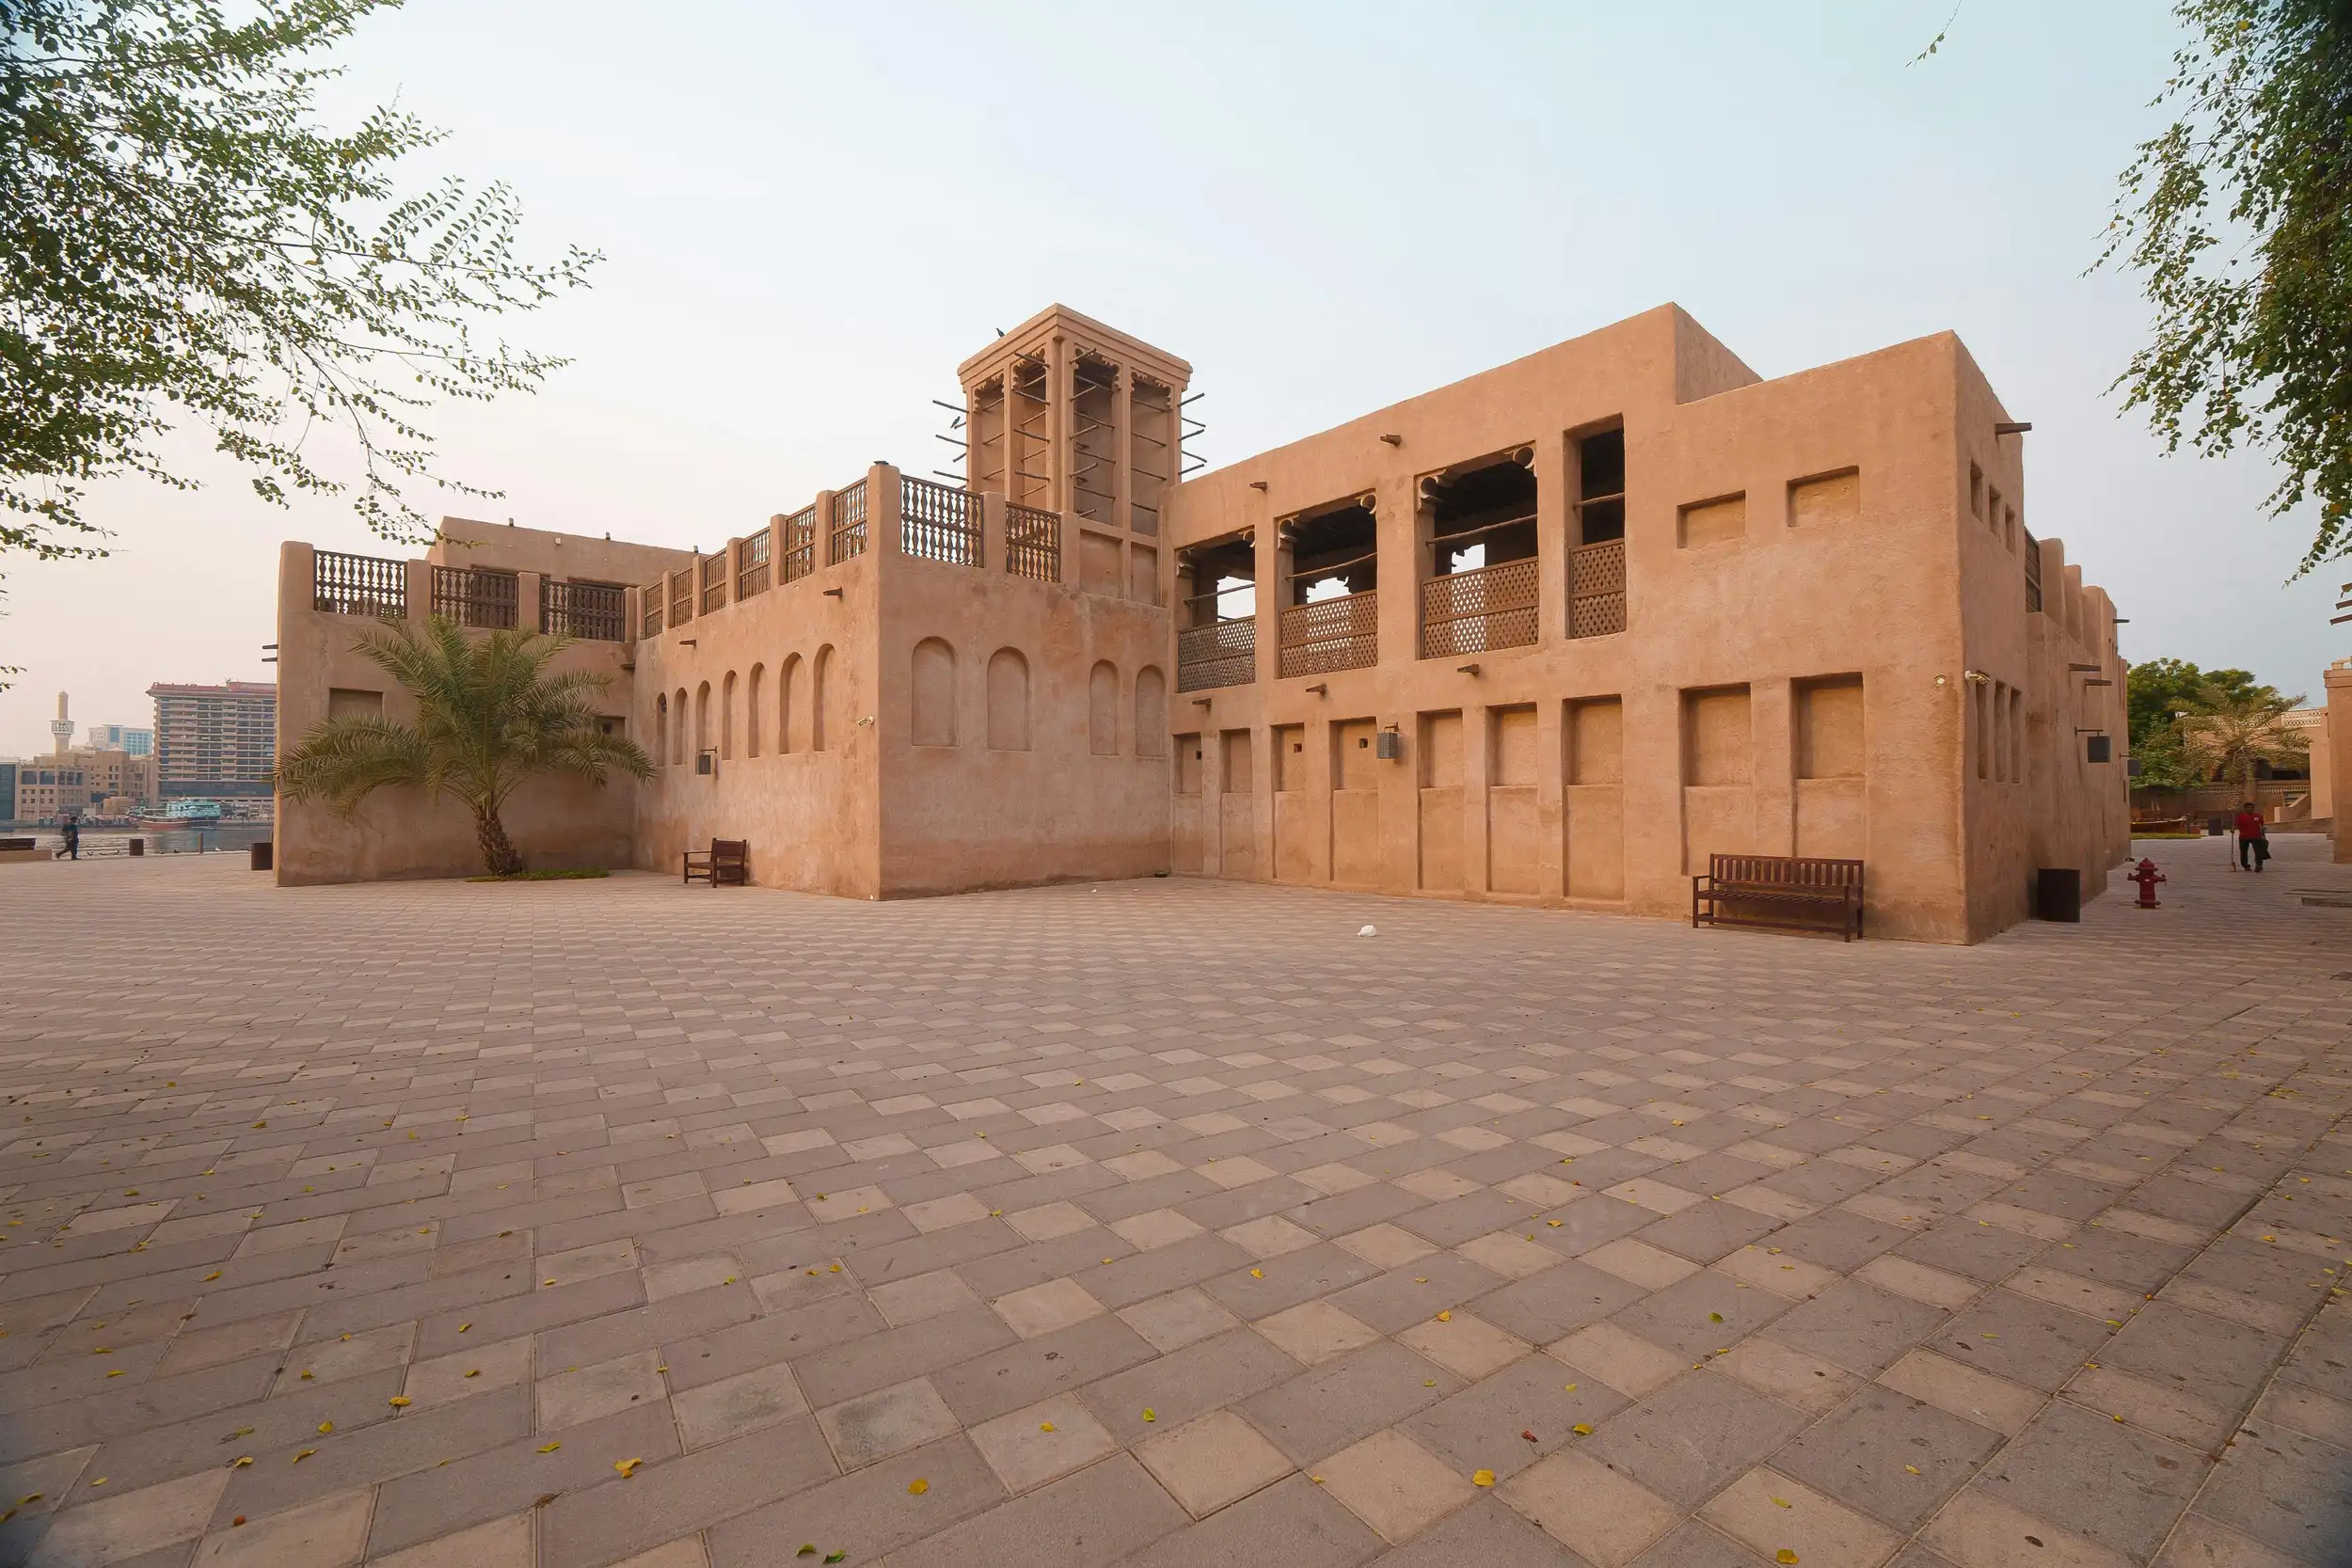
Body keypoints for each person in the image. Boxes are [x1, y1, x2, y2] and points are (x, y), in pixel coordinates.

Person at [2233, 802, 2268, 872]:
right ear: (2245, 809)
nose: (2250, 809)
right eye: (2248, 808)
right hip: (2244, 836)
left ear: (2253, 808)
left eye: (2251, 807)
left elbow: (2262, 826)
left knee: (2258, 851)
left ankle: (2259, 865)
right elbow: (2235, 824)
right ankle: (2246, 865)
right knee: (2243, 852)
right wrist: (2232, 829)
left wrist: (2263, 836)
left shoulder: (2258, 816)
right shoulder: (2241, 817)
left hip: (2256, 836)